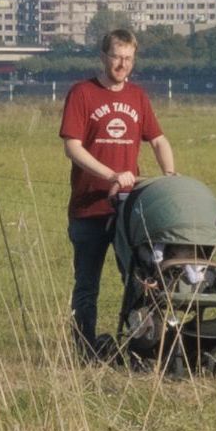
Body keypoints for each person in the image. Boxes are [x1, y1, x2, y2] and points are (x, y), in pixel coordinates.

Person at [60, 26, 174, 363]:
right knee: (87, 284)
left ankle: (142, 346)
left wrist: (169, 176)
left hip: (128, 209)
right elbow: (71, 147)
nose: (121, 64)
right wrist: (110, 174)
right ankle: (84, 347)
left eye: (128, 58)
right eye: (116, 57)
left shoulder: (138, 97)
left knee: (139, 280)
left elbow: (158, 139)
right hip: (89, 208)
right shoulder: (82, 93)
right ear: (103, 56)